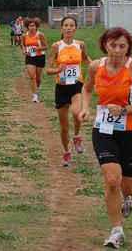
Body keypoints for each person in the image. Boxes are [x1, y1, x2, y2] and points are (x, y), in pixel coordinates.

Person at [79, 27, 132, 248]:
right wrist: (85, 108)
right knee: (112, 180)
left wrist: (124, 110)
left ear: (128, 48)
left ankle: (127, 197)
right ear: (105, 45)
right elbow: (86, 89)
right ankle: (117, 231)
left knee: (128, 186)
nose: (117, 50)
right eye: (113, 45)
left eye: (122, 46)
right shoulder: (96, 66)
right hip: (103, 129)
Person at [46, 16, 92, 167]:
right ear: (62, 29)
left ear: (75, 29)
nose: (68, 28)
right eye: (66, 25)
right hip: (61, 88)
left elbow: (86, 61)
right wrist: (57, 70)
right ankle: (67, 152)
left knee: (77, 112)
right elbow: (48, 70)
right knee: (64, 126)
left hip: (76, 86)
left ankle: (77, 136)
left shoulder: (81, 45)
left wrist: (99, 70)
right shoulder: (56, 46)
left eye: (72, 25)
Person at [21, 17, 48, 103]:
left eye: (33, 25)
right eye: (30, 26)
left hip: (39, 57)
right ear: (27, 27)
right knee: (32, 76)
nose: (32, 27)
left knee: (38, 77)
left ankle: (37, 88)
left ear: (36, 26)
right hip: (30, 57)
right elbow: (23, 45)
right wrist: (24, 50)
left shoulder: (40, 35)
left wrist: (37, 48)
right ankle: (34, 95)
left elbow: (46, 47)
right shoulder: (25, 35)